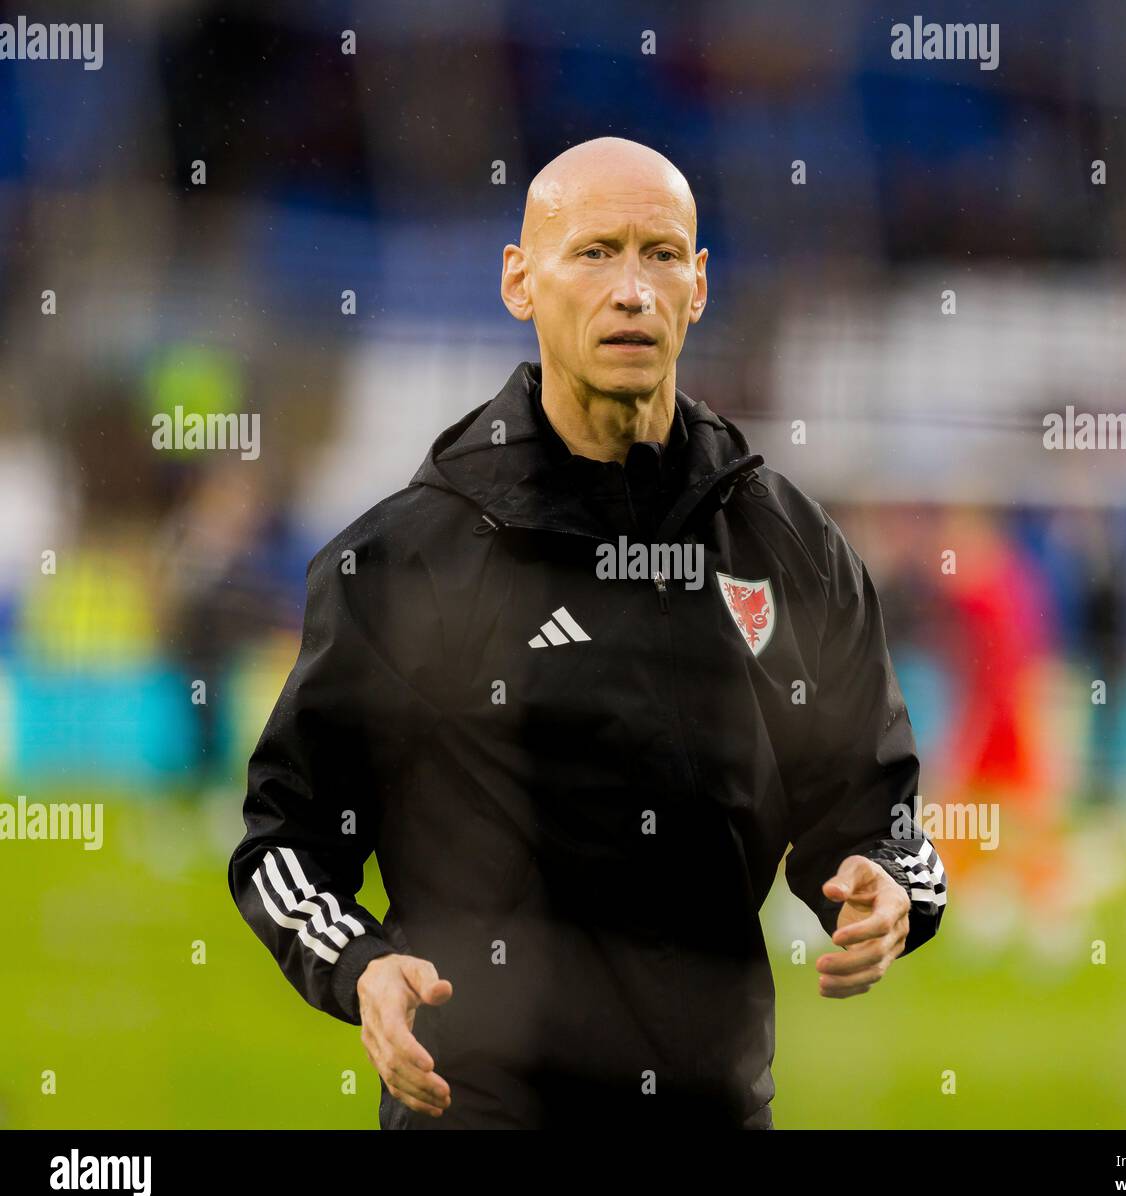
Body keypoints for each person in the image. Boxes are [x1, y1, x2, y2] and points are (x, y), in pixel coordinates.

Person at [227, 137, 947, 1130]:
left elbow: (870, 810)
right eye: (595, 252)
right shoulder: (408, 557)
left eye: (660, 255)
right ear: (520, 281)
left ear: (698, 286)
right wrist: (360, 966)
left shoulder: (785, 544)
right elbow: (287, 842)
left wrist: (887, 882)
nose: (631, 289)